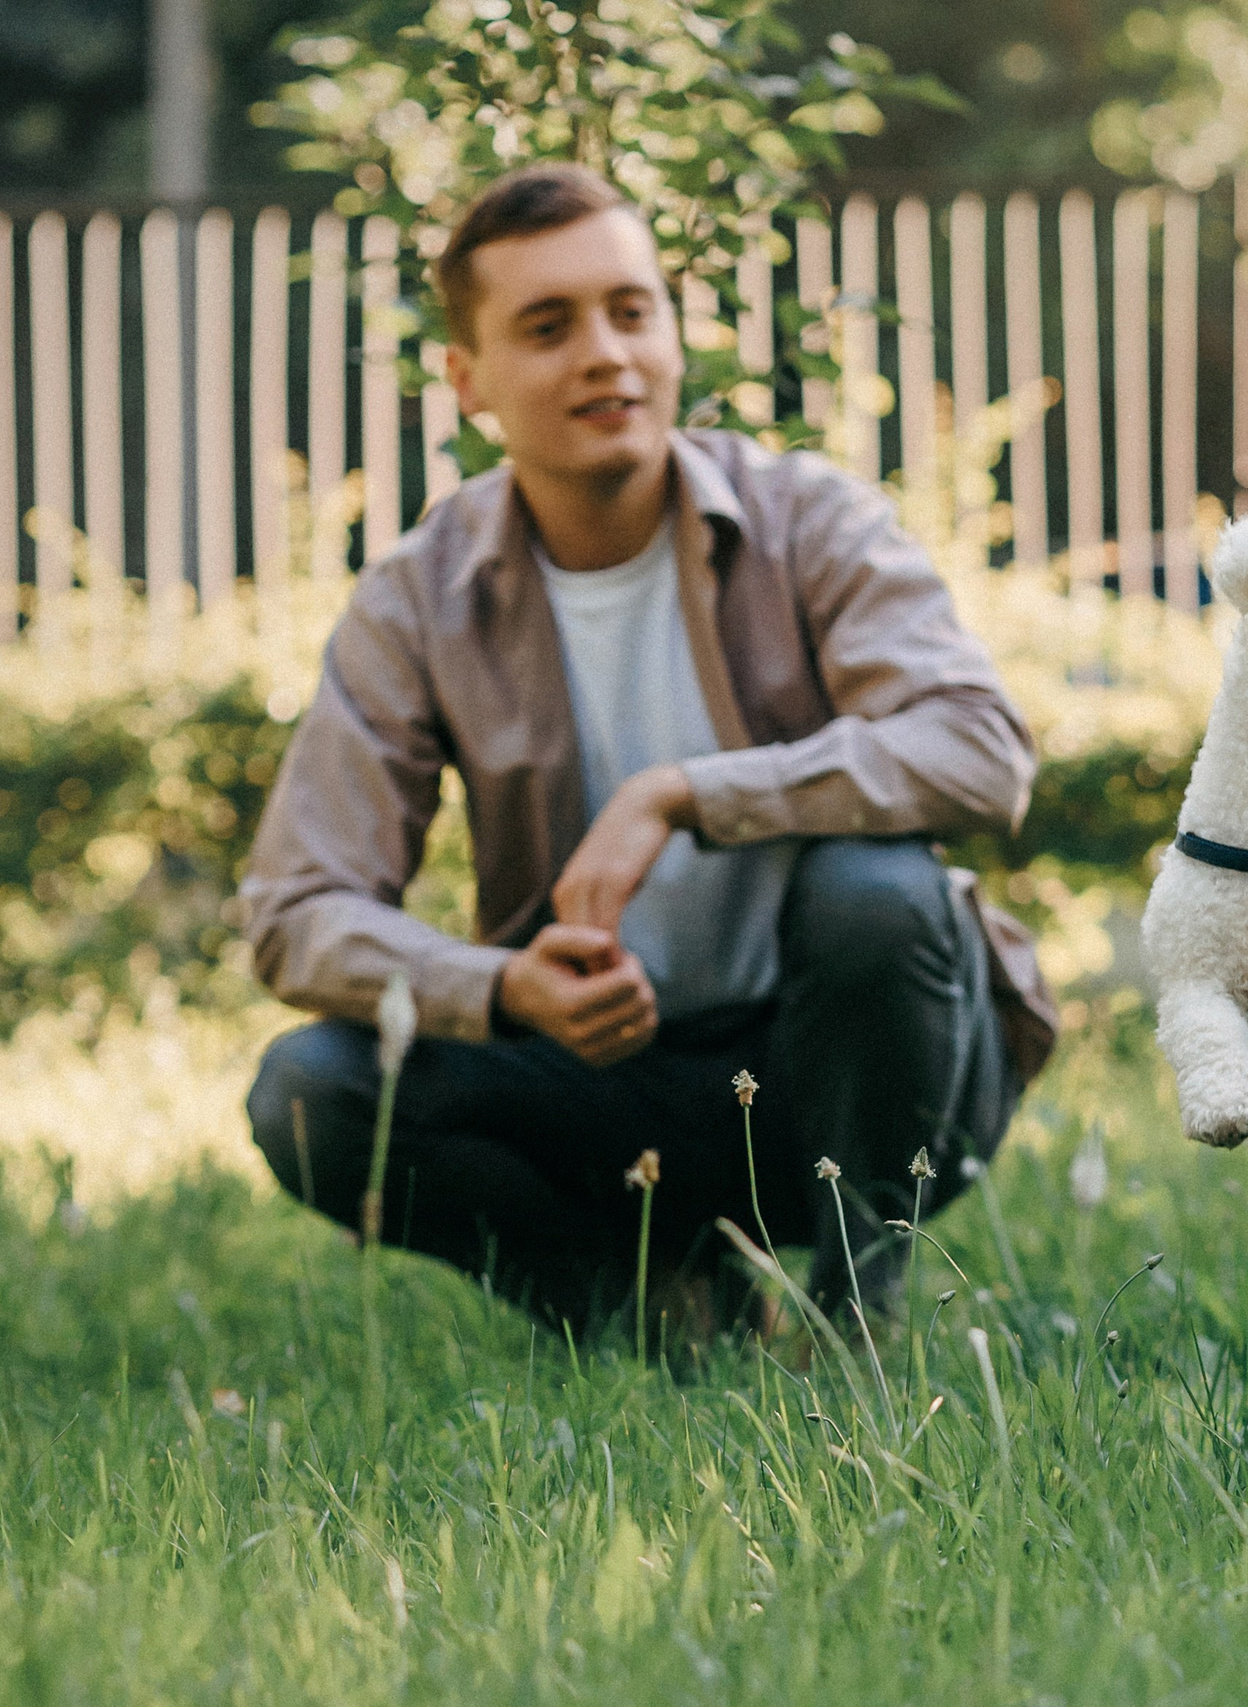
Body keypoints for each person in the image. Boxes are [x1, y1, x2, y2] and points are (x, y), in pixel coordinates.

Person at [239, 162, 1052, 1339]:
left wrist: (684, 794)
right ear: (467, 379)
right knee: (310, 1092)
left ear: (674, 334)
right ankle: (643, 1310)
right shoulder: (419, 600)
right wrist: (500, 989)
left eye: (632, 311)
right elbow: (294, 908)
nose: (606, 354)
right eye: (548, 326)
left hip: (854, 1068)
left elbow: (979, 750)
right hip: (602, 1088)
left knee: (873, 894)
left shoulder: (808, 520)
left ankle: (854, 1318)